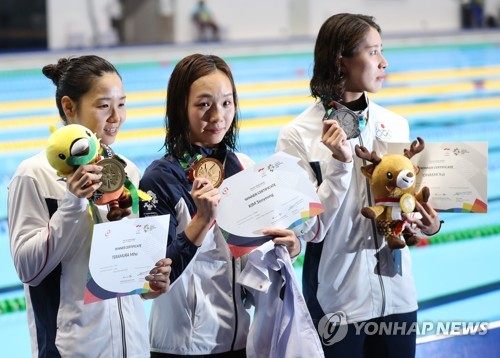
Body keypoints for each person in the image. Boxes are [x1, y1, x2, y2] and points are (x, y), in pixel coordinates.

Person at [275, 13, 443, 357]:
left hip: (398, 297)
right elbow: (306, 228)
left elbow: (402, 208)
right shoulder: (298, 136)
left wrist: (430, 223)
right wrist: (338, 163)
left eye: (382, 50)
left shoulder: (394, 125)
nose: (384, 61)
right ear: (341, 60)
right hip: (337, 300)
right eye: (373, 52)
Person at [8, 55, 172, 357]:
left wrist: (152, 281)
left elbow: (128, 279)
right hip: (70, 350)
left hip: (133, 347)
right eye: (103, 105)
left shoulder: (125, 171)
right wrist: (72, 204)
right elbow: (28, 270)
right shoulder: (34, 176)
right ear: (70, 107)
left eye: (121, 104)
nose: (116, 117)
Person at [139, 53, 302, 357]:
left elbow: (259, 252)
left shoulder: (243, 167)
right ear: (180, 108)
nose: (218, 116)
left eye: (227, 103)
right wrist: (201, 221)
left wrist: (289, 246)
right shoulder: (159, 180)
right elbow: (152, 281)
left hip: (240, 339)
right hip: (181, 346)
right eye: (204, 105)